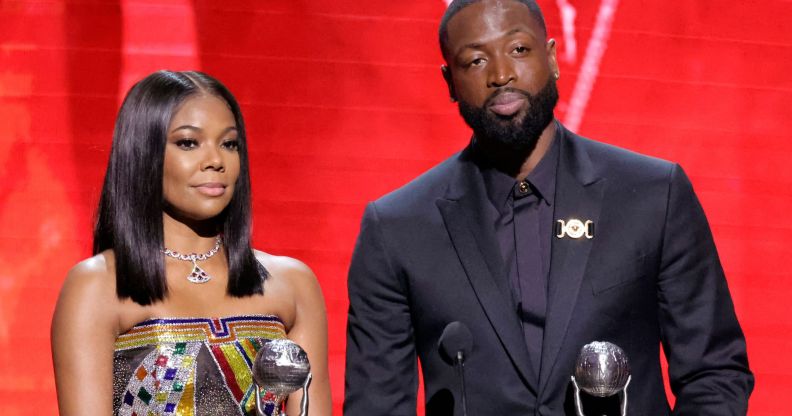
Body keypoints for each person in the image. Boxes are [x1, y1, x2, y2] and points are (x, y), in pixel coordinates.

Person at [344, 0, 753, 415]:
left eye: (519, 49)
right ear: (450, 82)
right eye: (476, 60)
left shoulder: (652, 195)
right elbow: (377, 404)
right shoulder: (397, 230)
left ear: (552, 57)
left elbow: (713, 373)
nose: (501, 75)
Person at [51, 70, 331, 416]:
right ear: (144, 153)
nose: (216, 161)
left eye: (229, 144)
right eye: (188, 143)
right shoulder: (97, 284)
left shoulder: (292, 283)